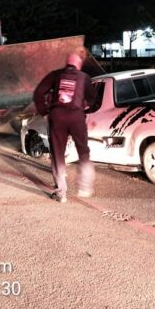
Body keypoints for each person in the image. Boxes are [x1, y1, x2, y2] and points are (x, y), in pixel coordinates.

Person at [33, 53, 97, 203]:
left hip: (58, 117)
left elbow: (38, 93)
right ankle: (85, 188)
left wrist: (44, 112)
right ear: (78, 65)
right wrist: (84, 108)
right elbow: (93, 98)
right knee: (83, 151)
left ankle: (61, 193)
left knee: (57, 153)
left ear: (66, 64)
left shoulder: (56, 75)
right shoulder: (84, 77)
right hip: (76, 117)